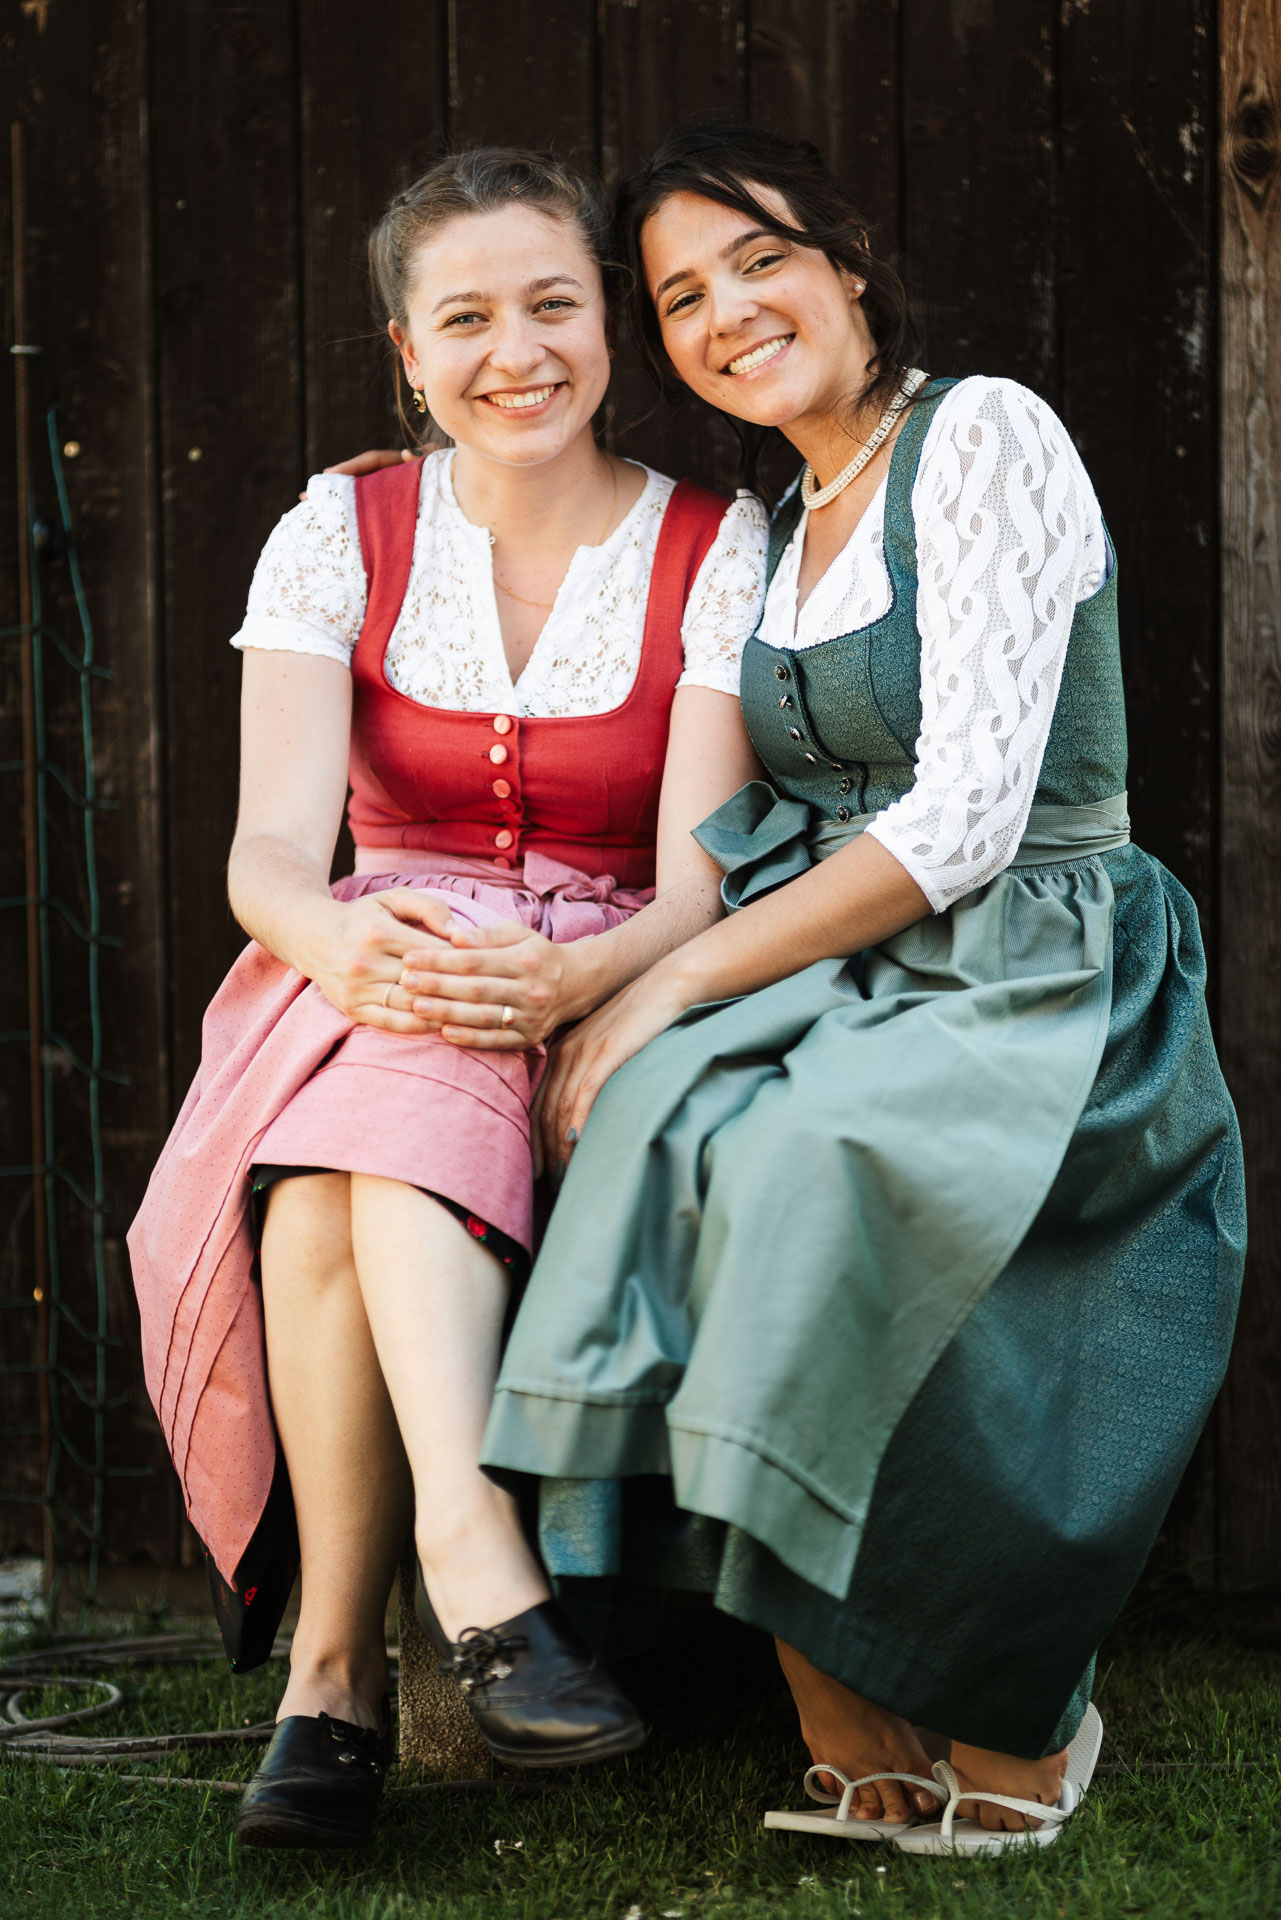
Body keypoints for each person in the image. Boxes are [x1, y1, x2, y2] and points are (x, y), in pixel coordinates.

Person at [445, 120, 1247, 1853]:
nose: (726, 312)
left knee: (807, 1161)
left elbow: (964, 820)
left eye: (760, 261)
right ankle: (829, 1690)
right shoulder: (775, 518)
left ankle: (1009, 1698)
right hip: (849, 955)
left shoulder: (984, 437)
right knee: (654, 1128)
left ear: (850, 267)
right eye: (681, 297)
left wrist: (671, 983)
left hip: (1038, 956)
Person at [127, 145, 767, 1849]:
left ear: (607, 323)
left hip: (605, 962)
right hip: (371, 956)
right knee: (388, 1056)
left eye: (553, 305)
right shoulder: (337, 532)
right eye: (466, 319)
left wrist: (570, 975)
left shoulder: (715, 543)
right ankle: (470, 1578)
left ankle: (335, 1677)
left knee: (336, 1171)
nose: (518, 351)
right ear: (407, 353)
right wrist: (341, 945)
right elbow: (271, 854)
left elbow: (696, 882)